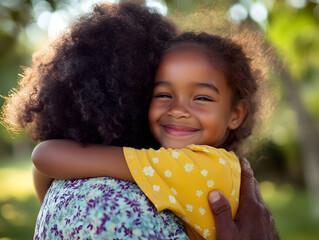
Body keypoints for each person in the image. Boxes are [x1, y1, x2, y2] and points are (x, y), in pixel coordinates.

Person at [2, 2, 278, 240]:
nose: (178, 109)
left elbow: (45, 155)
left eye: (202, 98)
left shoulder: (193, 168)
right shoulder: (215, 167)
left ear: (236, 114)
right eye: (163, 94)